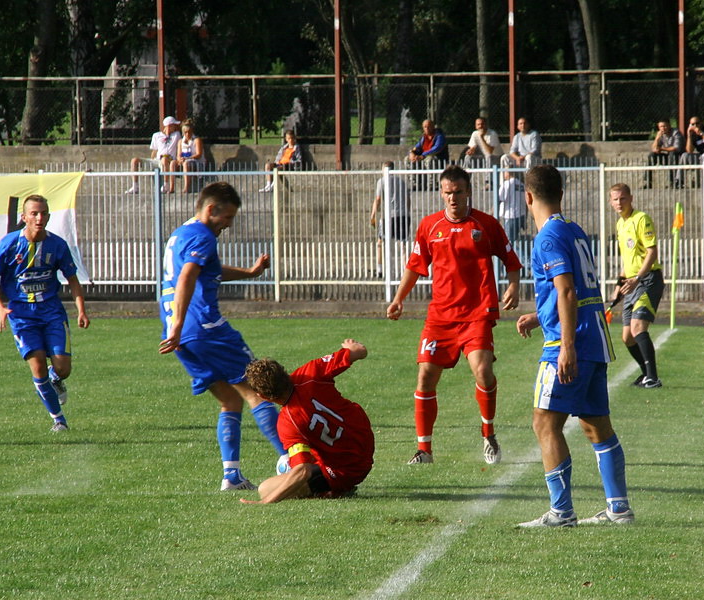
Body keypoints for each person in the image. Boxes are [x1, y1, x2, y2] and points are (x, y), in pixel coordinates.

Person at [515, 165, 634, 528]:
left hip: (571, 342)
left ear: (528, 197)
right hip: (595, 339)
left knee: (544, 423)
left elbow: (566, 289)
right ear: (561, 194)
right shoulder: (574, 230)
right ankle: (618, 509)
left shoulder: (547, 238)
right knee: (596, 426)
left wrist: (565, 346)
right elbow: (576, 290)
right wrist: (540, 315)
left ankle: (561, 511)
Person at [387, 165, 522, 465]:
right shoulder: (429, 226)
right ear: (441, 193)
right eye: (447, 192)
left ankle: (488, 434)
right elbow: (414, 265)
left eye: (458, 192)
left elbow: (511, 259)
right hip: (441, 317)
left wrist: (513, 285)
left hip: (477, 313)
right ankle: (424, 451)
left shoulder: (486, 225)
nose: (452, 198)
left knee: (483, 372)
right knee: (425, 377)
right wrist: (398, 299)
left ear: (468, 191)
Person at [159, 181, 284, 491]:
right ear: (210, 209)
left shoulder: (181, 233)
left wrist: (250, 273)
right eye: (226, 218)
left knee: (230, 400)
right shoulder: (203, 236)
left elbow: (208, 270)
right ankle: (293, 460)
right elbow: (188, 274)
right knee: (259, 390)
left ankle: (231, 475)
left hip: (184, 336)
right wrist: (179, 323)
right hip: (204, 328)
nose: (228, 225)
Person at [0, 194, 90, 432]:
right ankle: (59, 420)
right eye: (34, 213)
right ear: (24, 217)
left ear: (49, 216)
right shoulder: (10, 244)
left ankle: (56, 378)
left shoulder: (57, 245)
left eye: (43, 213)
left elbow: (72, 280)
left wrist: (81, 310)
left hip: (52, 313)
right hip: (21, 316)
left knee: (64, 369)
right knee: (38, 365)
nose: (39, 217)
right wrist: (1, 307)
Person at [239, 339, 375, 504]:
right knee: (305, 456)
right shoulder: (311, 372)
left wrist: (266, 501)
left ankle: (332, 490)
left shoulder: (288, 423)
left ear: (264, 397)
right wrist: (349, 349)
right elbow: (360, 350)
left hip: (346, 471)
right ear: (283, 371)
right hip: (364, 439)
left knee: (266, 488)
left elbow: (302, 471)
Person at [608, 183, 664, 388]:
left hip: (647, 280)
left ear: (631, 198)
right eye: (615, 199)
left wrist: (637, 279)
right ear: (610, 202)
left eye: (622, 198)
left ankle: (653, 377)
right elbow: (627, 260)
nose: (619, 203)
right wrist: (619, 285)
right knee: (627, 337)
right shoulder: (620, 224)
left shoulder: (641, 219)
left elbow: (652, 251)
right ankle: (645, 373)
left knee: (638, 327)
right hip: (631, 282)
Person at [369, 161, 411, 278]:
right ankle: (406, 270)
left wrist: (373, 215)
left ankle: (380, 270)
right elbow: (407, 199)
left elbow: (378, 199)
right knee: (403, 244)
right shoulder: (402, 182)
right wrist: (406, 212)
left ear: (384, 169)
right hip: (403, 215)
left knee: (380, 242)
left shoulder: (381, 181)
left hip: (389, 216)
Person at [126, 116, 181, 194]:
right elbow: (154, 151)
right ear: (169, 125)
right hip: (157, 159)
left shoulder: (176, 135)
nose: (175, 127)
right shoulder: (156, 135)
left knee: (164, 159)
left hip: (168, 159)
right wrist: (152, 160)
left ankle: (166, 185)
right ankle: (135, 186)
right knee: (134, 160)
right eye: (173, 125)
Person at [462, 116, 503, 186]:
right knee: (468, 157)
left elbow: (489, 151)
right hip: (483, 158)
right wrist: (471, 151)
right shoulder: (474, 134)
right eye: (478, 124)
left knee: (488, 156)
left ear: (486, 125)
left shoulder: (492, 134)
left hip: (496, 158)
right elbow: (473, 147)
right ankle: (465, 180)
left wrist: (482, 137)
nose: (480, 126)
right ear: (475, 126)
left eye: (482, 124)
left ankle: (489, 182)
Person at [644, 119, 684, 189]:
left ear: (669, 125)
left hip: (679, 156)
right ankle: (648, 182)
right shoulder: (660, 134)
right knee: (651, 155)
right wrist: (657, 138)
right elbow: (654, 148)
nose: (663, 128)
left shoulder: (676, 132)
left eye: (665, 126)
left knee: (673, 154)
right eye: (661, 127)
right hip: (668, 156)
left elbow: (676, 148)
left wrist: (661, 149)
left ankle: (673, 181)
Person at [176, 118, 206, 193]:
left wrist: (187, 158)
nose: (187, 134)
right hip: (185, 161)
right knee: (173, 163)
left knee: (186, 163)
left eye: (189, 132)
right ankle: (170, 187)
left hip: (196, 162)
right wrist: (180, 159)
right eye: (185, 132)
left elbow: (199, 154)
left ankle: (186, 187)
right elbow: (178, 155)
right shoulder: (180, 142)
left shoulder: (196, 140)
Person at [497, 169, 526, 243]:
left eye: (504, 172)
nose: (503, 174)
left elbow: (499, 199)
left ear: (508, 172)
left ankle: (521, 255)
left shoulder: (507, 184)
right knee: (514, 240)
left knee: (509, 243)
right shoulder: (522, 185)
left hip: (511, 216)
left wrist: (494, 214)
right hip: (521, 215)